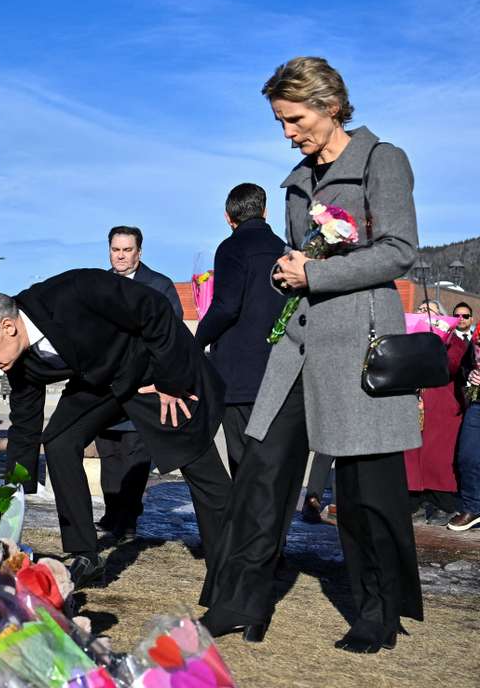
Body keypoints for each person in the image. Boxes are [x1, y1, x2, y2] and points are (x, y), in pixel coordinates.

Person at [204, 57, 422, 652]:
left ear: (330, 106)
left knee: (365, 491)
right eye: (279, 121)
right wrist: (289, 273)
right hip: (298, 344)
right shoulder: (299, 179)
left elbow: (400, 251)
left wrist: (317, 275)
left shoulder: (382, 160)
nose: (287, 133)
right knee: (261, 470)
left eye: (294, 119)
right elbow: (307, 260)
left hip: (359, 342)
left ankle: (378, 615)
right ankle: (237, 604)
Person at [0, 276, 231, 587]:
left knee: (196, 462)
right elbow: (25, 426)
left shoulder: (74, 291)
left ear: (8, 326)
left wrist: (171, 379)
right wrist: (11, 493)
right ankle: (85, 553)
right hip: (100, 382)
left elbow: (154, 308)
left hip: (151, 371)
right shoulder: (16, 361)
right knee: (59, 440)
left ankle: (233, 572)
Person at [95, 227, 183, 541]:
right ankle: (111, 512)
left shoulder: (159, 286)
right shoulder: (99, 284)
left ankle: (128, 519)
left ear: (139, 252)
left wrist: (161, 381)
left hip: (144, 386)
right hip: (105, 386)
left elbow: (173, 339)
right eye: (115, 249)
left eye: (127, 250)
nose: (120, 255)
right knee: (109, 452)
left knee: (134, 452)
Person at [194, 185, 288, 476]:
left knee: (242, 459)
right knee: (271, 461)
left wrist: (199, 340)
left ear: (227, 217)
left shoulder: (231, 248)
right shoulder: (285, 250)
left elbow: (226, 307)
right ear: (265, 211)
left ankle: (245, 520)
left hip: (239, 373)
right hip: (279, 370)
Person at [405, 300, 467, 524]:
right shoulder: (408, 338)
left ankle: (443, 504)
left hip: (441, 406)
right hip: (414, 402)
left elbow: (451, 366)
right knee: (412, 456)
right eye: (420, 310)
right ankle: (415, 503)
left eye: (429, 310)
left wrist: (439, 341)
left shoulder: (456, 341)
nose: (423, 313)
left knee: (437, 457)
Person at [448, 333, 480, 531]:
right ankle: (473, 508)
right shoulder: (477, 332)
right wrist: (469, 374)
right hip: (478, 406)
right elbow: (465, 365)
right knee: (467, 457)